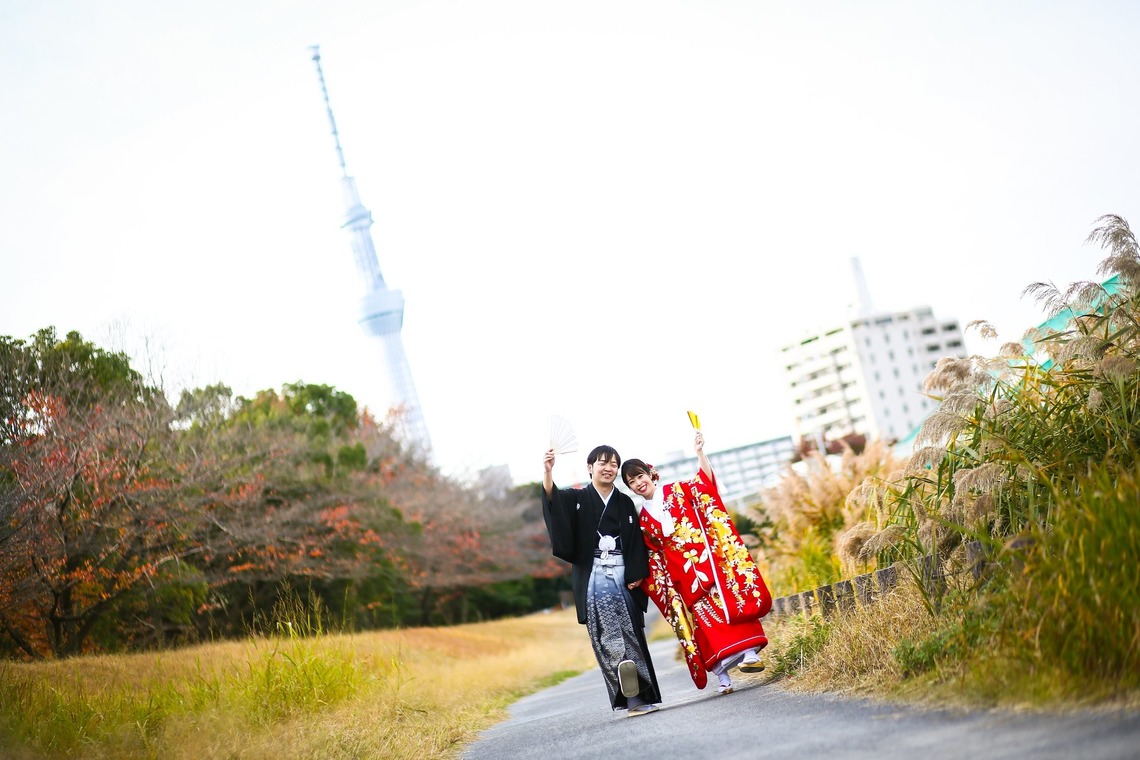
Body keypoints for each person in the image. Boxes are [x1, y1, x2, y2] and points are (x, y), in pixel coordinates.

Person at [621, 430, 772, 695]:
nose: (638, 483)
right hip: (681, 574)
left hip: (706, 562)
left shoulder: (679, 490)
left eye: (640, 476)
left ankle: (749, 653)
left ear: (650, 473)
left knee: (727, 606)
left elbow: (706, 484)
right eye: (631, 481)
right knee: (703, 623)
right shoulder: (643, 520)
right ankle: (723, 676)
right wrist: (642, 577)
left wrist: (700, 453)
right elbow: (651, 555)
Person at [542, 444, 662, 715]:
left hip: (622, 574)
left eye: (613, 464)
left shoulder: (624, 502)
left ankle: (641, 693)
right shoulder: (576, 498)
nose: (608, 468)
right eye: (602, 463)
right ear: (590, 468)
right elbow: (553, 503)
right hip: (595, 575)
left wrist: (636, 573)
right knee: (607, 634)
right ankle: (631, 697)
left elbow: (635, 544)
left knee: (631, 632)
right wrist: (548, 472)